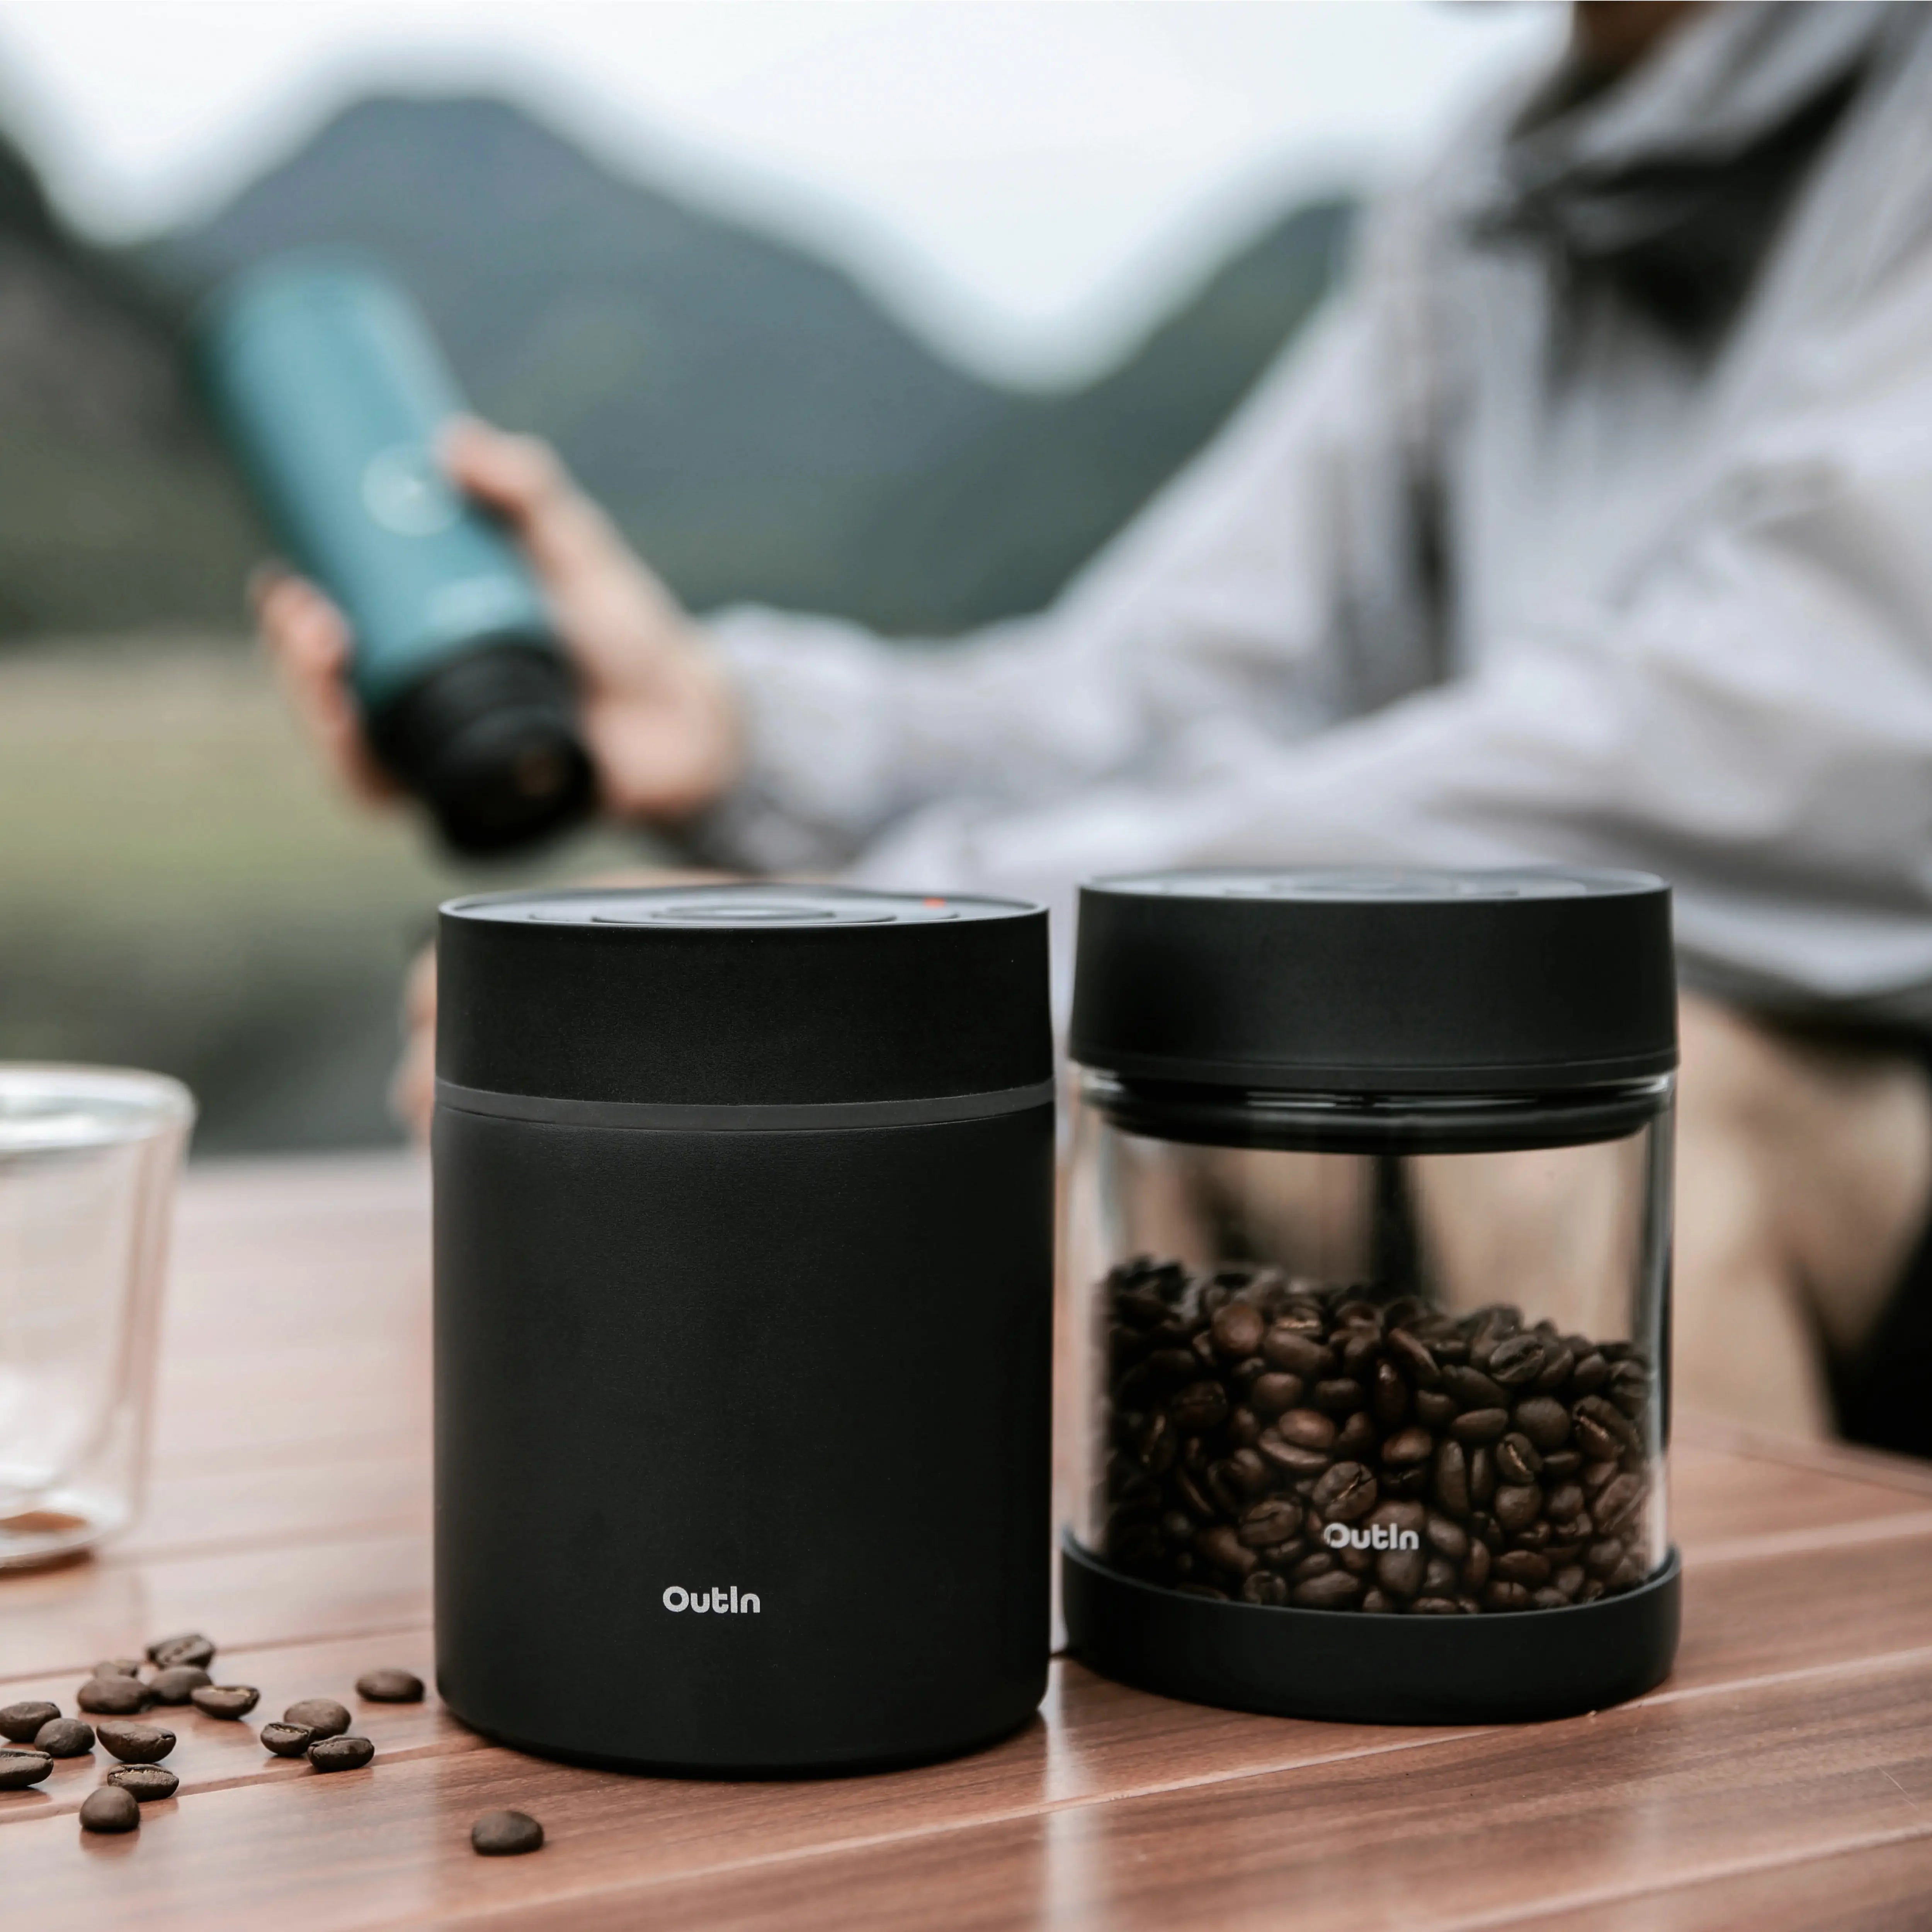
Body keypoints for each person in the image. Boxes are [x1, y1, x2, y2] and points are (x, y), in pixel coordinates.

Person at [261, 0, 1932, 1452]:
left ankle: (1725, 1808)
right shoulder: (1492, 180)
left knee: (1546, 1122)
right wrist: (733, 732)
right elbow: (1155, 687)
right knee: (1170, 1108)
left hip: (1848, 1061)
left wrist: (887, 960)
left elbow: (1746, 750)